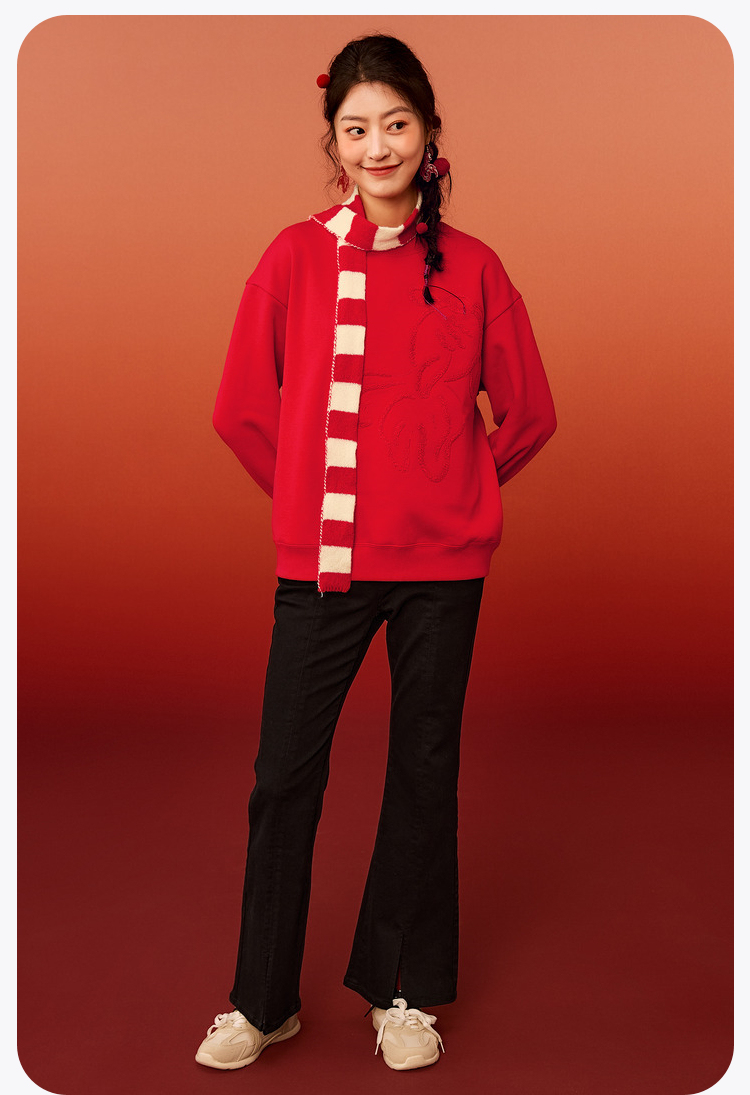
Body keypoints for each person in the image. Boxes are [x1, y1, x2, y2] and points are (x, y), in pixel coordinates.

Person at [195, 32, 556, 1073]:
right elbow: (239, 408)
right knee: (283, 778)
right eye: (356, 129)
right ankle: (261, 1000)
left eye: (396, 123)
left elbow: (529, 412)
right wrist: (312, 506)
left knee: (423, 773)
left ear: (429, 133)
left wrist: (459, 488)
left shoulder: (476, 267)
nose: (378, 145)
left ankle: (403, 991)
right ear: (334, 142)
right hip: (324, 566)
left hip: (444, 572)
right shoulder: (294, 256)